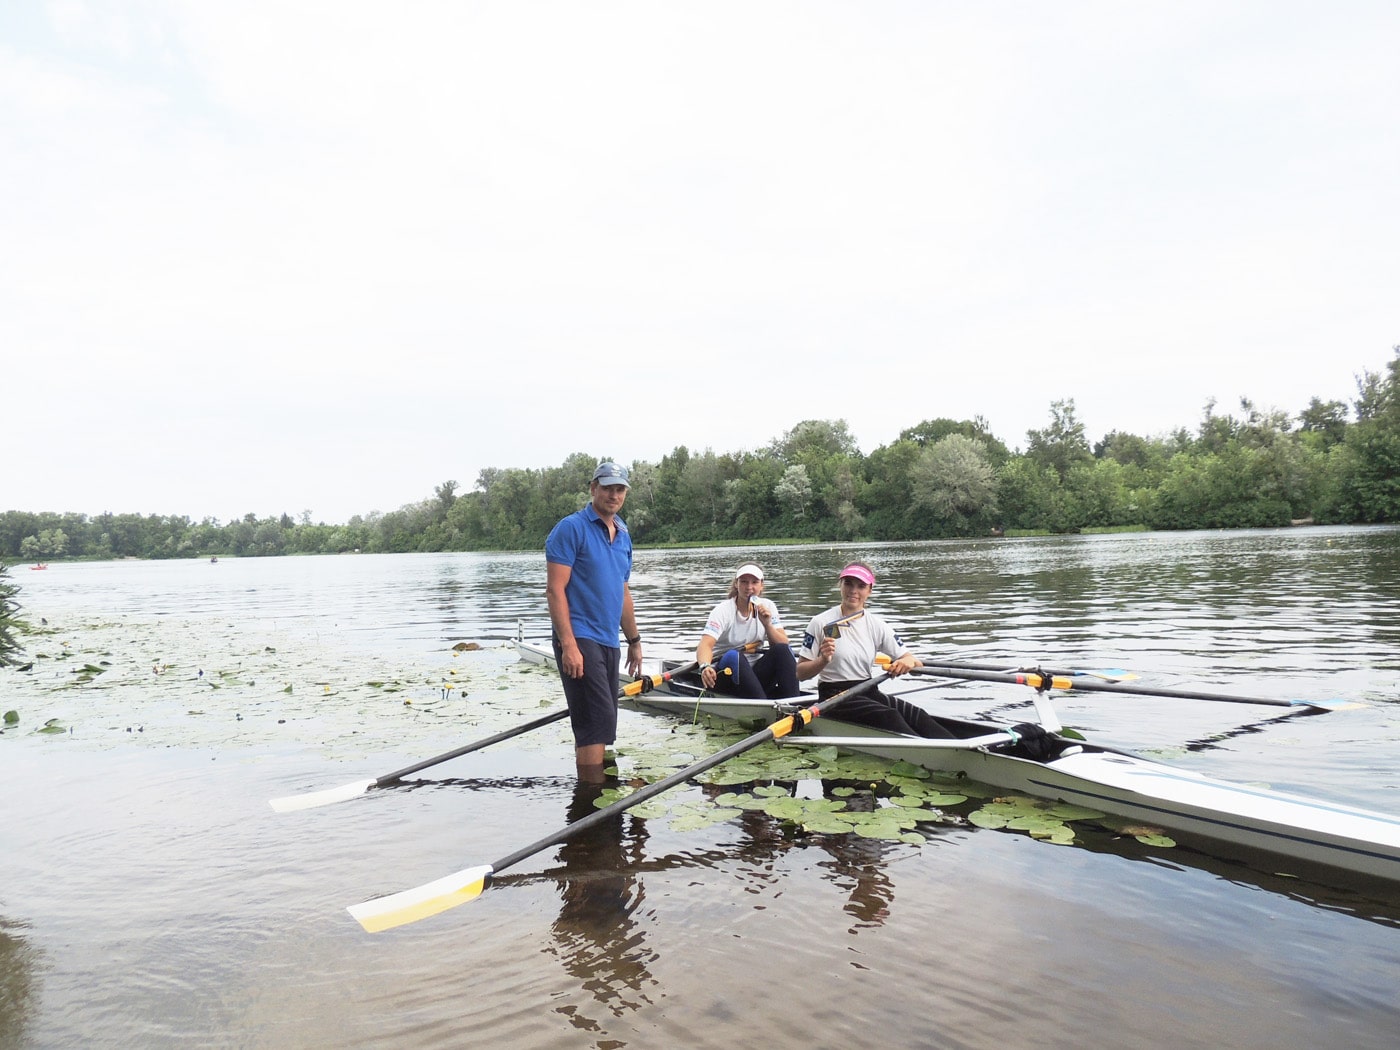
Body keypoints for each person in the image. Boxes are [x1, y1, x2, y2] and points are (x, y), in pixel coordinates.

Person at [546, 460, 644, 780]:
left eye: (620, 489)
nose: (613, 495)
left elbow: (622, 591)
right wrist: (568, 645)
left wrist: (634, 640)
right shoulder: (571, 528)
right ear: (593, 488)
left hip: (608, 639)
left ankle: (596, 795)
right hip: (579, 635)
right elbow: (555, 590)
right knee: (594, 723)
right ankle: (591, 800)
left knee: (603, 723)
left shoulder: (624, 533)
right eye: (607, 488)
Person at [795, 561, 953, 738]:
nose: (853, 591)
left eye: (861, 586)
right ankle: (931, 756)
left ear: (869, 590)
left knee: (919, 716)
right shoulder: (821, 622)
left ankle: (959, 752)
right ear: (841, 585)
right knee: (890, 716)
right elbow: (801, 674)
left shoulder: (876, 625)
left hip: (868, 689)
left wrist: (905, 662)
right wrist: (822, 660)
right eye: (848, 584)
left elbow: (911, 659)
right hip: (833, 695)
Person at [694, 562, 800, 699]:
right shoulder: (723, 611)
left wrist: (767, 625)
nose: (749, 587)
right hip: (724, 676)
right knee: (734, 656)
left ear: (761, 585)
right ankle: (762, 706)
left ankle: (793, 703)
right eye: (744, 582)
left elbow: (783, 644)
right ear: (736, 584)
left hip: (755, 675)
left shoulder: (768, 607)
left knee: (782, 650)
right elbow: (705, 645)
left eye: (754, 582)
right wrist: (705, 667)